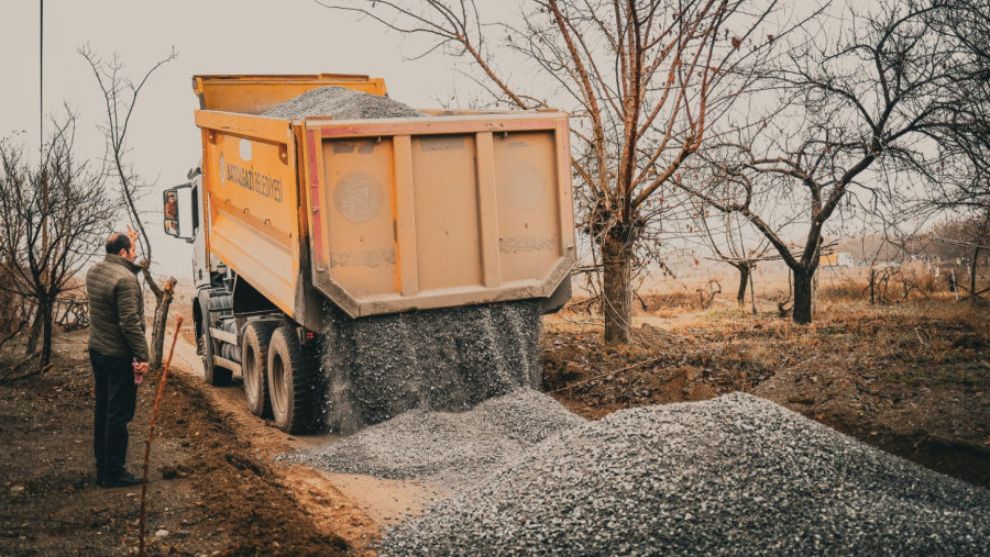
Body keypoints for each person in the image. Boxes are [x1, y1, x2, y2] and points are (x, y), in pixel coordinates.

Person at [86, 228, 149, 488]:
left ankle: (103, 466)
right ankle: (113, 472)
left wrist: (129, 240)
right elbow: (129, 323)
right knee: (119, 413)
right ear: (123, 253)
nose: (135, 255)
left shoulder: (95, 271)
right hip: (117, 355)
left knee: (103, 408)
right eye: (132, 250)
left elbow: (120, 258)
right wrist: (142, 355)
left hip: (97, 351)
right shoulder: (125, 280)